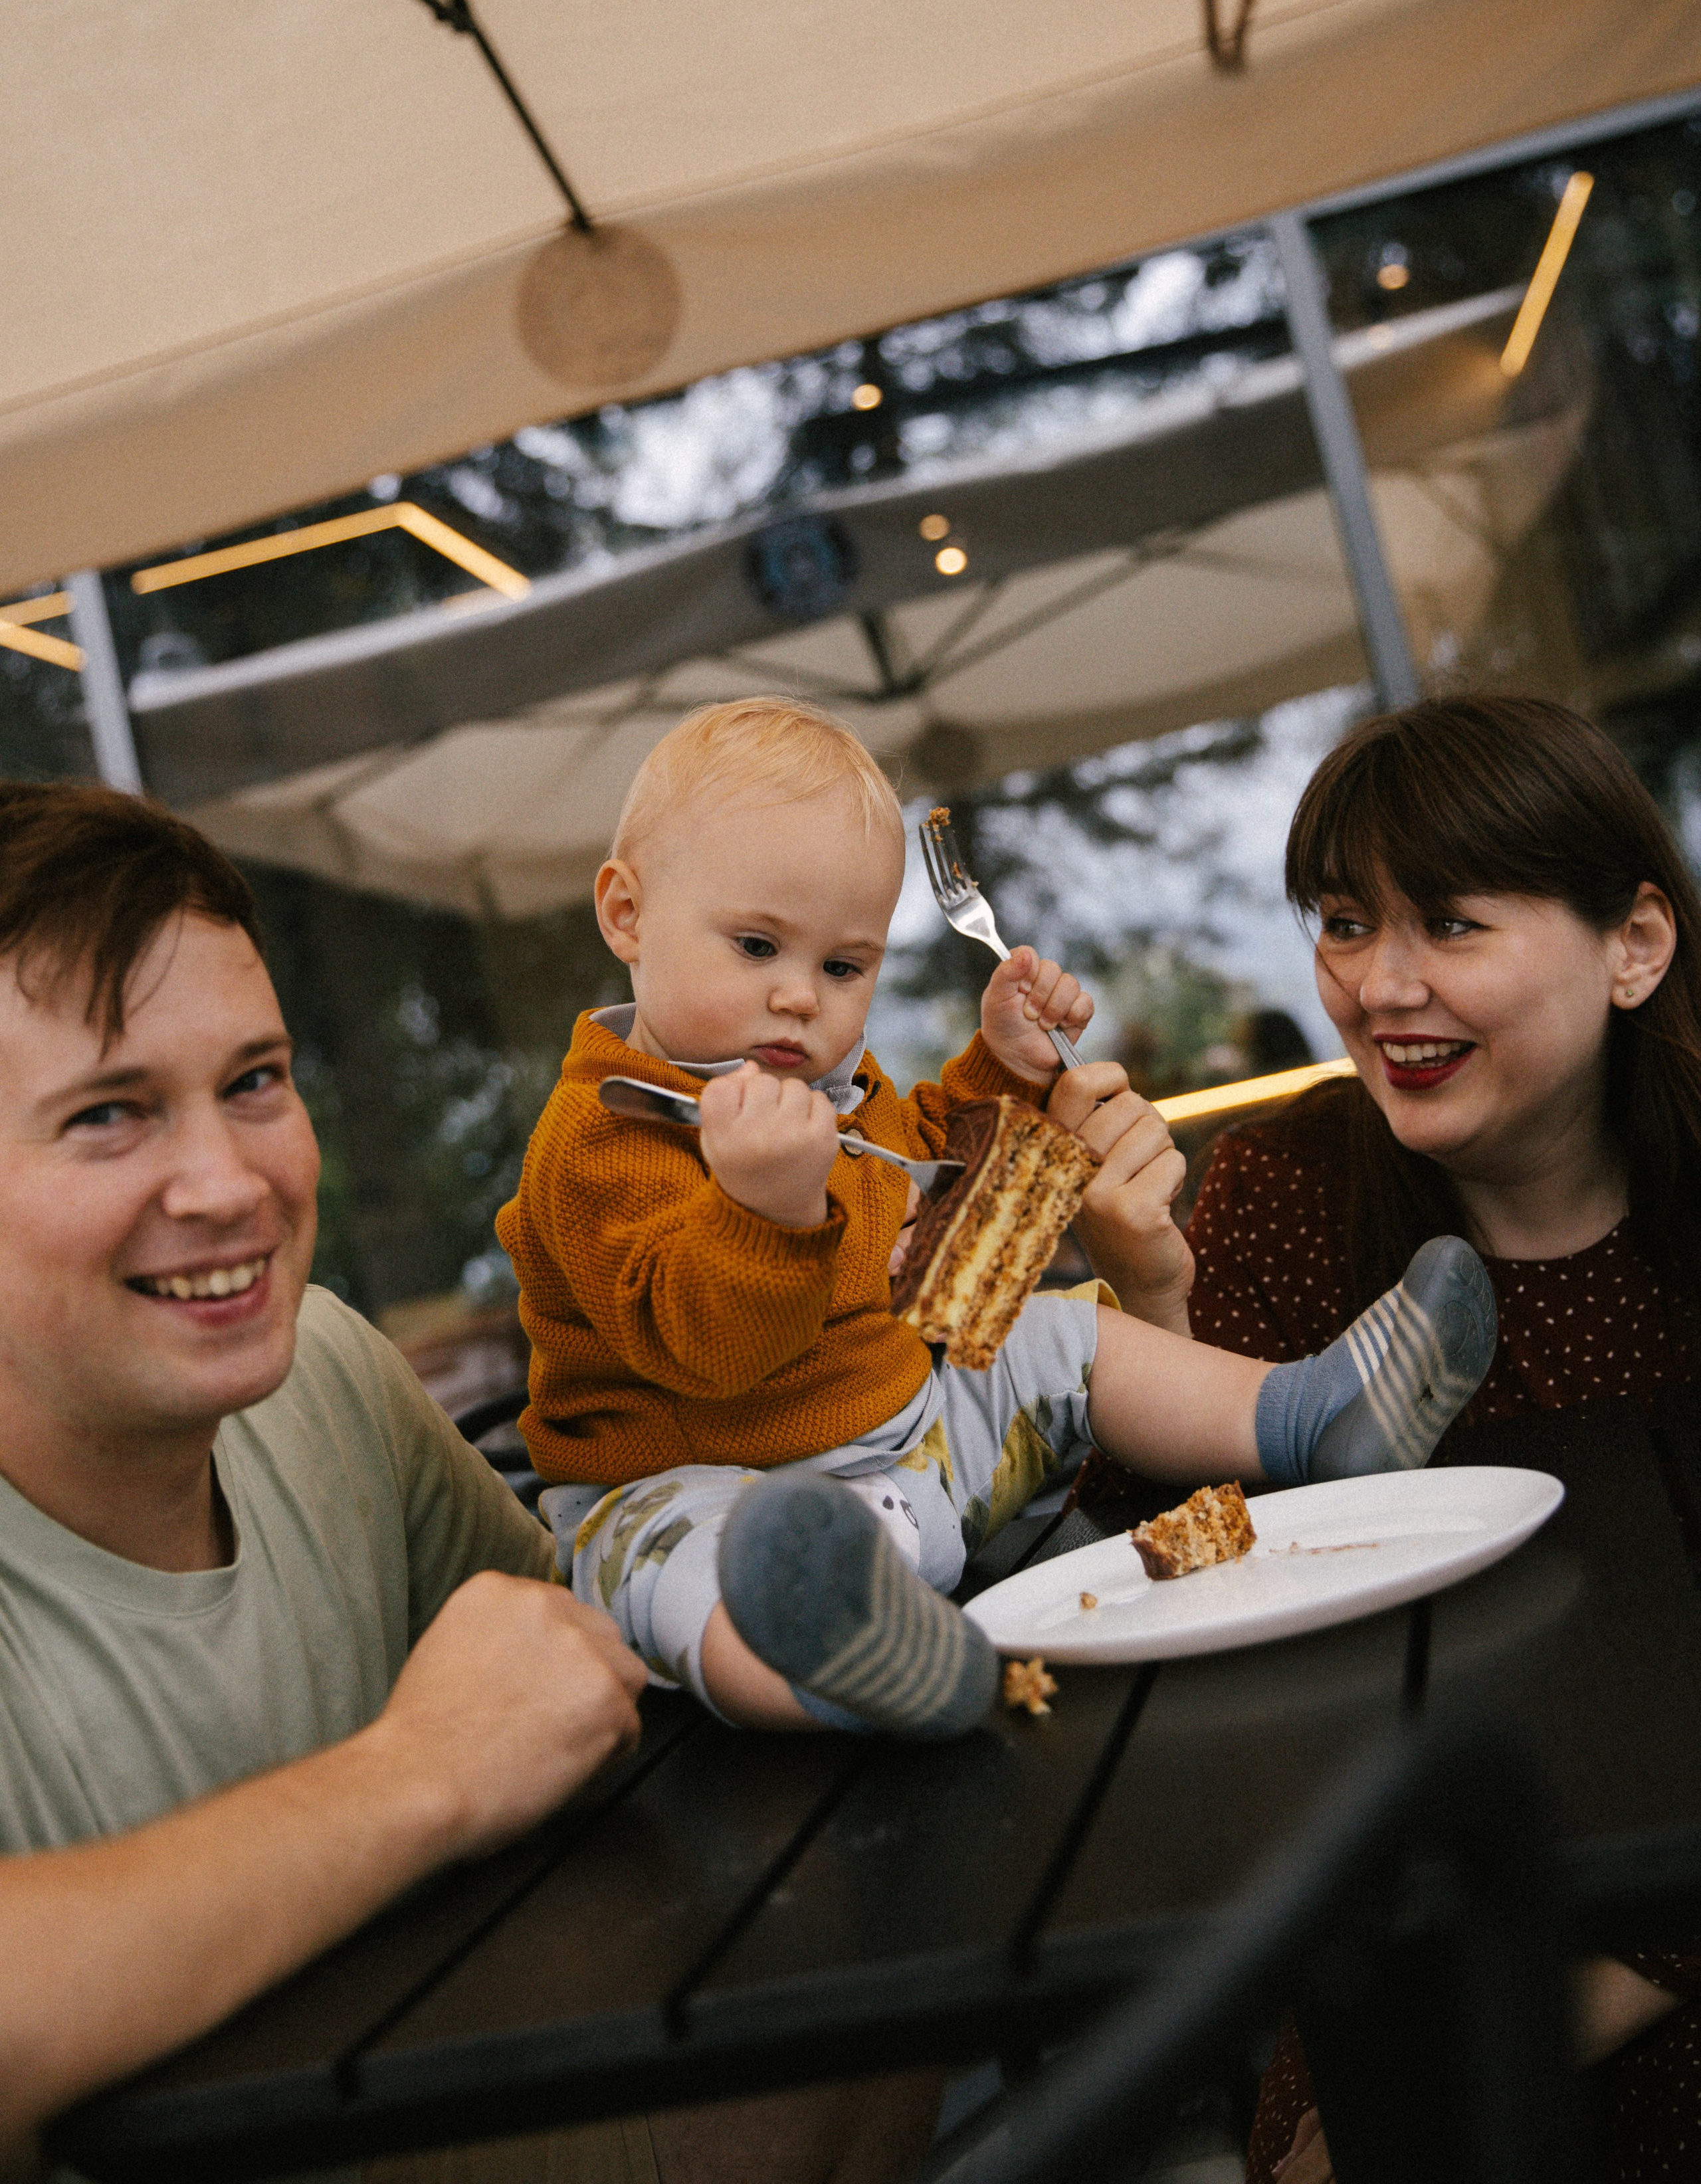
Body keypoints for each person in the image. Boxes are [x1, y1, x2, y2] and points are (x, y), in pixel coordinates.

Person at [0, 781, 932, 2184]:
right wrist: (421, 1773)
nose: (227, 1182)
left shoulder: (320, 1368)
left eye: (254, 1083)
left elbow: (600, 1679)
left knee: (887, 1982)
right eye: (108, 1116)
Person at [500, 698, 1498, 1743]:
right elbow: (706, 1356)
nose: (799, 998)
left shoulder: (837, 1093)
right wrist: (764, 1212)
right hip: (716, 1497)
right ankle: (842, 1676)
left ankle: (1310, 1419)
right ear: (625, 915)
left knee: (1061, 1330)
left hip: (914, 1464)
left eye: (844, 967)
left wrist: (1008, 1072)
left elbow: (941, 1199)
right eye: (757, 947)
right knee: (678, 1572)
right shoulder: (601, 1138)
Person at [1060, 695, 1701, 2184]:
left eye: (1450, 928)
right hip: (1406, 1911)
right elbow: (1178, 1583)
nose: (1377, 988)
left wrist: (1577, 2003)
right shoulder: (1286, 1186)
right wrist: (1152, 1297)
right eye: (1344, 924)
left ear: (1633, 946)